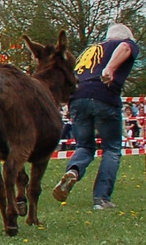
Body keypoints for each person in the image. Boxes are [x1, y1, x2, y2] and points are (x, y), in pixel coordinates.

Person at [54, 22, 140, 211]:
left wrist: (68, 101)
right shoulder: (125, 43)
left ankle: (73, 171)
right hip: (104, 95)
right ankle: (101, 199)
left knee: (84, 146)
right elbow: (125, 47)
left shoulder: (89, 50)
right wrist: (109, 68)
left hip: (78, 98)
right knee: (112, 148)